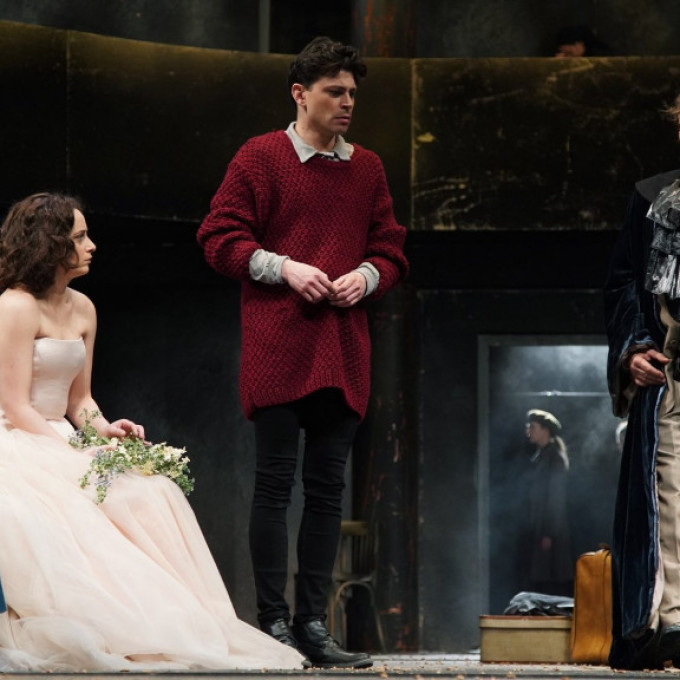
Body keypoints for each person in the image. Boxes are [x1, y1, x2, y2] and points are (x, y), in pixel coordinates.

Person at [0, 193, 305, 672]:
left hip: (63, 438)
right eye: (80, 237)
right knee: (52, 511)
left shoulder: (84, 309)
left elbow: (80, 400)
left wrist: (104, 429)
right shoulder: (15, 306)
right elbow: (15, 405)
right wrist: (71, 455)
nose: (91, 246)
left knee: (154, 492)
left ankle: (172, 628)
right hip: (19, 440)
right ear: (49, 243)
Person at [197, 36, 408, 668]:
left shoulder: (366, 168)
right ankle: (273, 622)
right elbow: (218, 236)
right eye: (334, 92)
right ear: (300, 94)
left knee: (326, 491)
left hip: (342, 348)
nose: (347, 103)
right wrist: (284, 267)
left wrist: (366, 277)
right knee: (274, 484)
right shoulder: (261, 157)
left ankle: (313, 625)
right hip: (279, 345)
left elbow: (391, 249)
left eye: (352, 93)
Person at [604, 95, 680, 669]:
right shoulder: (654, 197)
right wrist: (632, 347)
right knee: (671, 500)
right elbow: (624, 280)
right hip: (672, 374)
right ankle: (673, 622)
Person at [524, 409, 573, 596]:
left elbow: (555, 499)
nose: (529, 430)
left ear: (545, 430)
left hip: (551, 532)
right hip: (542, 529)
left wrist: (548, 533)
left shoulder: (554, 458)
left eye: (533, 427)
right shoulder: (543, 456)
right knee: (543, 581)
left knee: (551, 583)